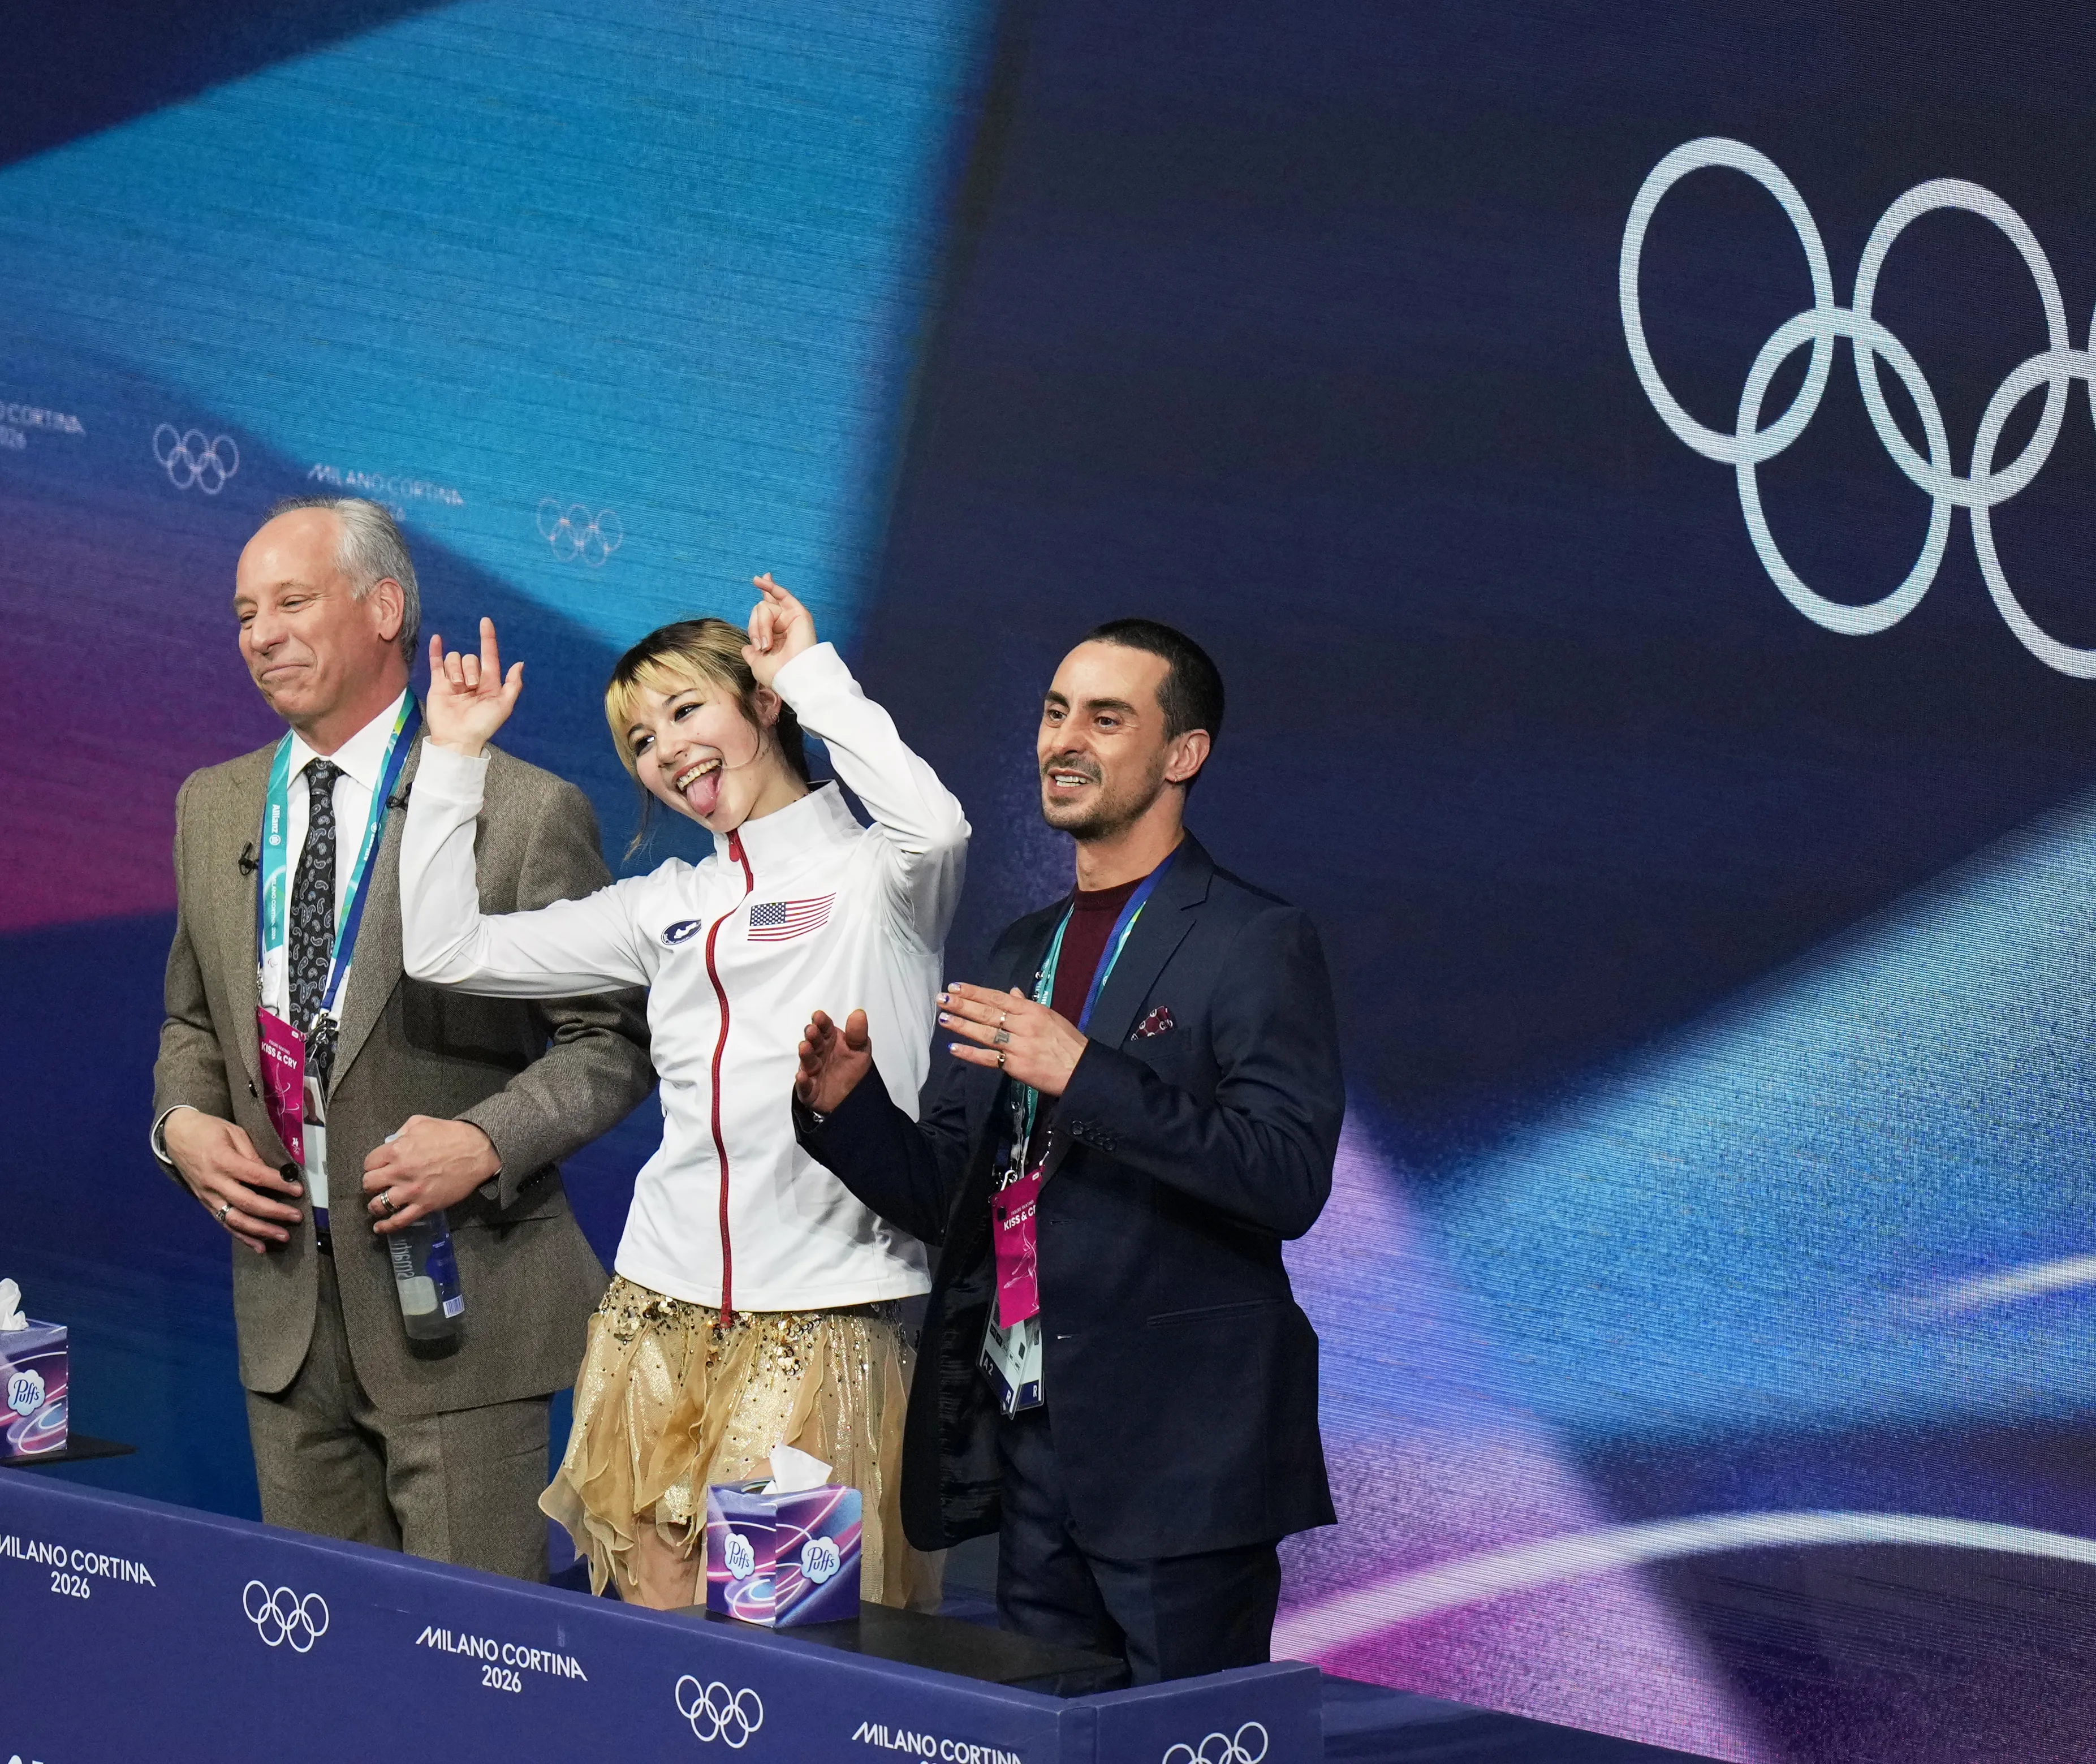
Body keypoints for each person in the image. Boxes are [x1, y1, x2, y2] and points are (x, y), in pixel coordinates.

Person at [791, 618, 1342, 1683]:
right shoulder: (1019, 947)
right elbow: (954, 1193)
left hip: (1182, 1459)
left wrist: (1084, 1071)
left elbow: (1283, 1176)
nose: (1065, 739)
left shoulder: (1255, 939)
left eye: (1105, 716)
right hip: (1030, 1443)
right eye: (1053, 713)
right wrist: (847, 1111)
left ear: (1183, 754)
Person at [399, 576, 965, 1610]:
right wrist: (453, 756)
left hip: (827, 1316)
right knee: (659, 1652)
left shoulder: (878, 876)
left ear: (759, 706)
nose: (665, 751)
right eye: (641, 742)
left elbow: (934, 827)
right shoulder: (664, 903)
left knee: (796, 1662)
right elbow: (446, 947)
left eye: (683, 709)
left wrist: (808, 671)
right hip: (653, 1316)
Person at [151, 497, 653, 1581]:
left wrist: (486, 1140)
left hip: (462, 1310)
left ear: (384, 609)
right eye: (244, 613)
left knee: (478, 1680)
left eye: (291, 601)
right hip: (284, 1317)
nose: (260, 634)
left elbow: (609, 1044)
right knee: (324, 1680)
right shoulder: (214, 807)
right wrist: (181, 1124)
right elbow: (193, 1020)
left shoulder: (522, 812)